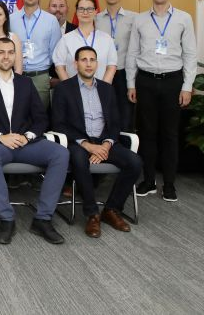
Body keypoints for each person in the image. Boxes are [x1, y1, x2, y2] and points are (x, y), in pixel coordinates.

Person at [0, 37, 69, 245]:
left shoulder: (25, 83)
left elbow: (41, 118)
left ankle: (43, 219)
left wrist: (27, 136)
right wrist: (0, 136)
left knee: (60, 153)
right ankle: (6, 219)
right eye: (1, 52)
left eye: (10, 52)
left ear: (15, 56)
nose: (6, 57)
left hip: (25, 143)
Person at [51, 46, 142, 238]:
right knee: (79, 160)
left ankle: (111, 209)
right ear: (76, 64)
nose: (88, 64)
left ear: (97, 64)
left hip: (104, 142)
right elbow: (58, 124)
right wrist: (88, 145)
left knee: (134, 162)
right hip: (78, 142)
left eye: (92, 60)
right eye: (84, 60)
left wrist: (106, 145)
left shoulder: (107, 89)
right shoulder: (63, 89)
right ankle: (92, 214)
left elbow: (115, 123)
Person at [126, 0, 196, 202]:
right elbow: (132, 53)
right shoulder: (140, 20)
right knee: (146, 133)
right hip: (145, 81)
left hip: (172, 81)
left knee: (170, 134)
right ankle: (148, 181)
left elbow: (190, 54)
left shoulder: (184, 19)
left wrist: (187, 86)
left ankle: (169, 184)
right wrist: (131, 83)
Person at [10, 0, 62, 109]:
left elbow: (55, 51)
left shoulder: (51, 20)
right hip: (16, 76)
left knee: (40, 115)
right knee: (17, 113)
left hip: (40, 77)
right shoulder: (11, 19)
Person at [95, 0, 137, 131]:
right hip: (102, 73)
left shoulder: (134, 18)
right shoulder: (96, 19)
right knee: (103, 115)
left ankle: (124, 143)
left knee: (125, 117)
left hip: (124, 72)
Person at [53, 0, 117, 83]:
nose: (85, 12)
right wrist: (70, 88)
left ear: (96, 11)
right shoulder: (66, 39)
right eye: (81, 9)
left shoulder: (106, 39)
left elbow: (111, 67)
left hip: (100, 88)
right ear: (76, 12)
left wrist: (103, 88)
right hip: (73, 90)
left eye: (89, 9)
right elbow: (59, 67)